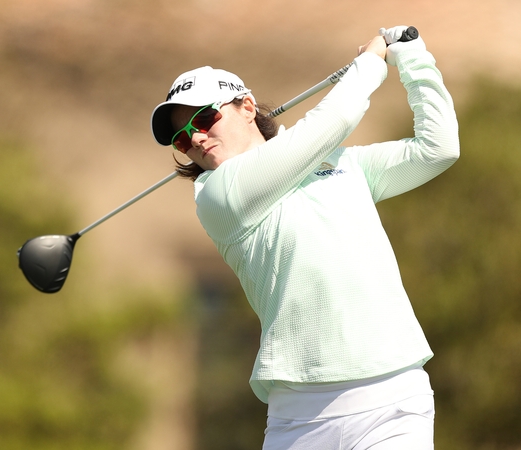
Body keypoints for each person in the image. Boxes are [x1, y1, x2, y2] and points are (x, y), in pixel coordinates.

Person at [150, 26, 459, 450]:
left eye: (203, 118)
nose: (196, 138)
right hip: (300, 420)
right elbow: (327, 126)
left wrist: (412, 59)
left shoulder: (338, 162)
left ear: (246, 106)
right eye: (182, 137)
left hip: (393, 398)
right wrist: (371, 63)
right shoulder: (218, 196)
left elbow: (436, 148)